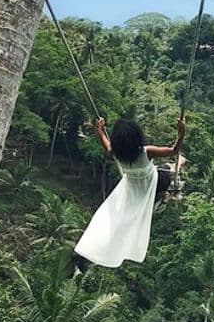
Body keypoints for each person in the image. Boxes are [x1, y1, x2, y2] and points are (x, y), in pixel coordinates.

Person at [74, 115, 186, 269]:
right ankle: (174, 174)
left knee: (166, 170)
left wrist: (99, 130)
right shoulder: (146, 151)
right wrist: (181, 133)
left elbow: (106, 145)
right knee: (172, 167)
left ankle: (166, 189)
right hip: (156, 182)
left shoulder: (116, 153)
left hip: (133, 186)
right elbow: (174, 150)